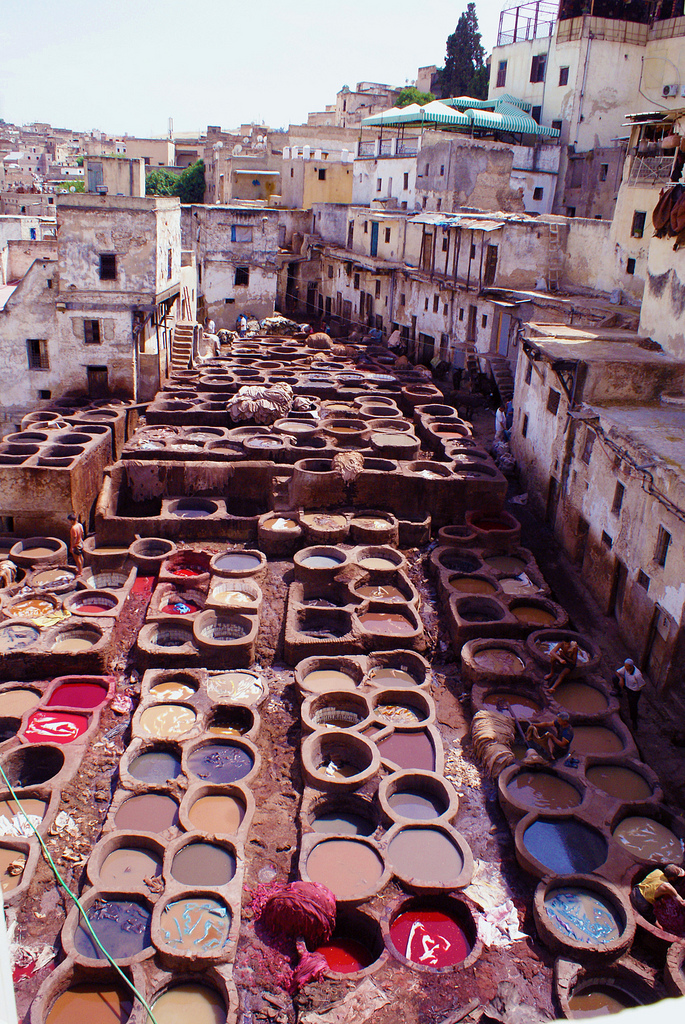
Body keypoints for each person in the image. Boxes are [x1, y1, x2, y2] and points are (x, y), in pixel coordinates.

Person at [616, 658, 646, 730]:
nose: (625, 668)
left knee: (633, 705)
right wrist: (621, 679)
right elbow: (617, 672)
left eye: (627, 666)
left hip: (634, 691)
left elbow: (642, 685)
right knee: (615, 678)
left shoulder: (637, 675)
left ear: (631, 666)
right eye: (625, 666)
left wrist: (634, 687)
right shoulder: (625, 669)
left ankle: (634, 720)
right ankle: (618, 692)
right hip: (628, 687)